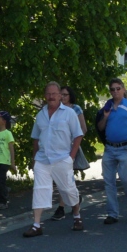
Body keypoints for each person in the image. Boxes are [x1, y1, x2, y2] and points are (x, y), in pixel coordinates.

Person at [23, 82, 84, 237]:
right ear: (45, 96)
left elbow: (78, 135)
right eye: (48, 94)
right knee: (39, 190)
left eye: (54, 94)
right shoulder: (40, 115)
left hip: (62, 158)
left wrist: (71, 157)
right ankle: (36, 225)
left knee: (68, 190)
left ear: (60, 96)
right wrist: (34, 158)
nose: (51, 97)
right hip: (42, 159)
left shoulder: (69, 113)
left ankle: (77, 216)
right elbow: (35, 138)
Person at [97, 78, 127, 224]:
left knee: (126, 179)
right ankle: (112, 214)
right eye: (112, 89)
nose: (115, 91)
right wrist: (105, 117)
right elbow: (100, 127)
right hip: (109, 148)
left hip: (125, 148)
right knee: (108, 182)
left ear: (123, 89)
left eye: (118, 88)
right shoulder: (107, 106)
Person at [50, 86, 86, 221]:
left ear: (70, 96)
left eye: (65, 94)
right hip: (57, 149)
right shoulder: (55, 109)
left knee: (64, 177)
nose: (63, 97)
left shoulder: (75, 109)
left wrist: (73, 142)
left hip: (70, 148)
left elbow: (83, 129)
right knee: (63, 178)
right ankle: (74, 197)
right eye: (61, 94)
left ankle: (61, 207)